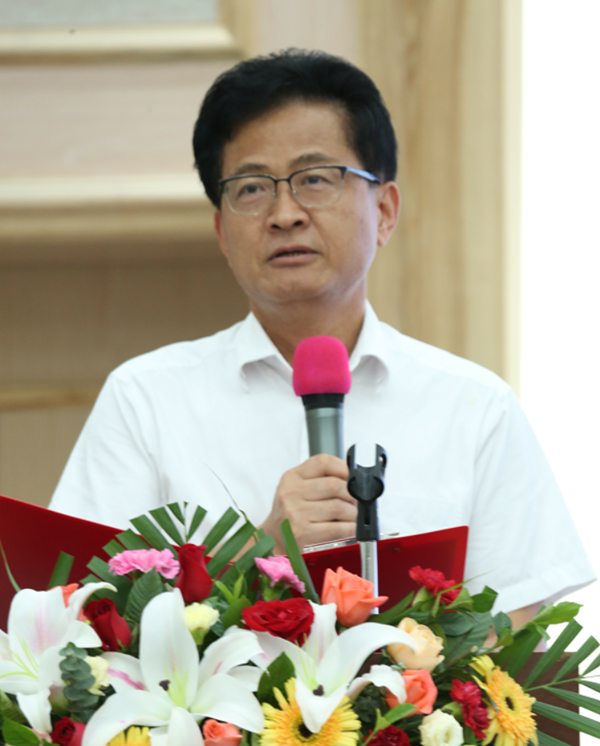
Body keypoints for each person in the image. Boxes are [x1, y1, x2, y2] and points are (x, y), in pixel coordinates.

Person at [49, 50, 595, 625]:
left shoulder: (474, 406)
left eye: (314, 179)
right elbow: (80, 620)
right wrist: (262, 550)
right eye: (251, 189)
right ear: (222, 232)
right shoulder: (145, 399)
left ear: (384, 210)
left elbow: (519, 637)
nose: (284, 213)